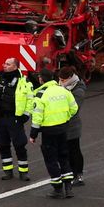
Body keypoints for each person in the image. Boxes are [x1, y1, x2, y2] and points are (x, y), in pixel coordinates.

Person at [28, 66, 80, 199]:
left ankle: (58, 189)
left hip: (49, 132)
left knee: (51, 160)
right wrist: (65, 119)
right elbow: (74, 108)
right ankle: (68, 188)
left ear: (41, 79)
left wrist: (33, 134)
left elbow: (37, 117)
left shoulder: (40, 94)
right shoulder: (64, 90)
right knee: (64, 156)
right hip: (63, 129)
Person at [0, 57, 32, 180]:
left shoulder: (23, 81)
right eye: (4, 63)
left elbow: (30, 99)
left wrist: (25, 115)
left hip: (14, 118)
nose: (4, 65)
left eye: (8, 64)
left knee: (19, 145)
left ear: (15, 67)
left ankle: (23, 172)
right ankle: (8, 171)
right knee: (3, 144)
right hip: (0, 118)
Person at [59, 69, 89, 186]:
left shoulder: (78, 90)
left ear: (70, 78)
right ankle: (70, 173)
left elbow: (73, 109)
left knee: (74, 150)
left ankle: (78, 175)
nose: (61, 82)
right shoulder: (63, 86)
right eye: (60, 79)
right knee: (66, 151)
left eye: (63, 80)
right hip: (62, 123)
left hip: (72, 126)